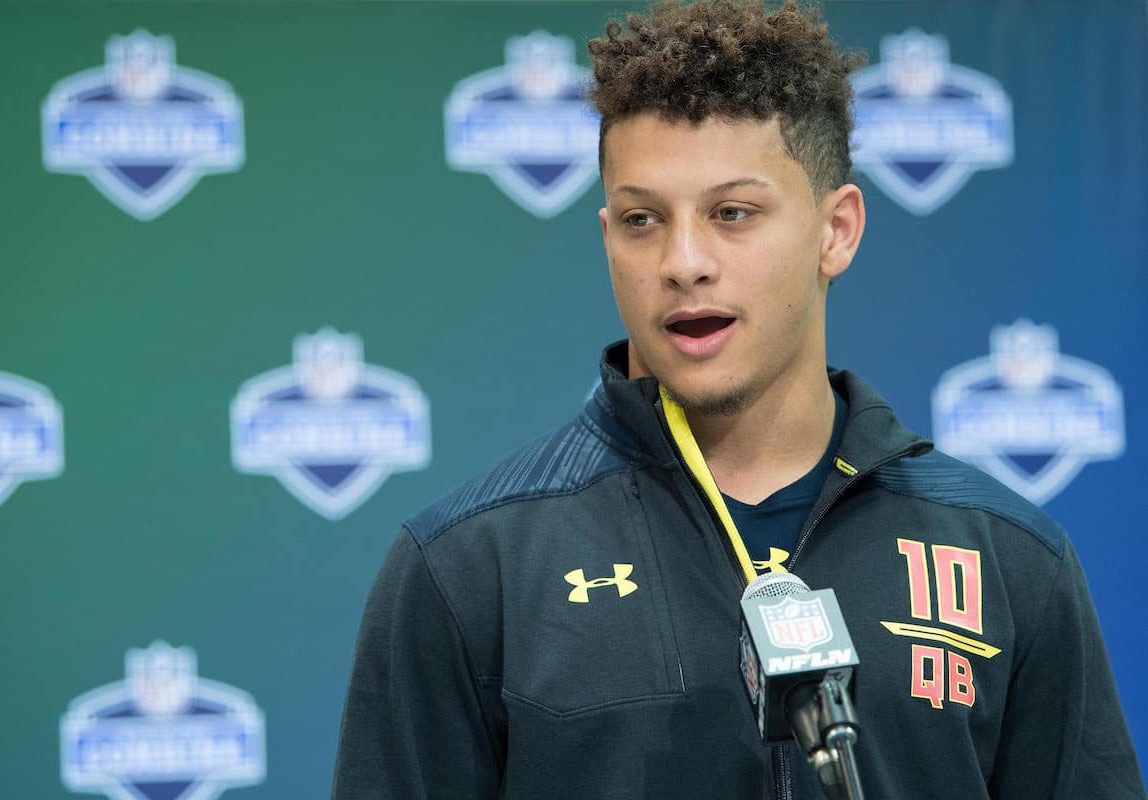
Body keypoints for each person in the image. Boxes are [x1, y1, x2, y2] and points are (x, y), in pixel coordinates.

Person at [332, 1, 1146, 797]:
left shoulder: (1008, 555)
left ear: (837, 231)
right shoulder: (471, 566)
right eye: (642, 219)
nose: (683, 261)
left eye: (732, 212)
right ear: (606, 235)